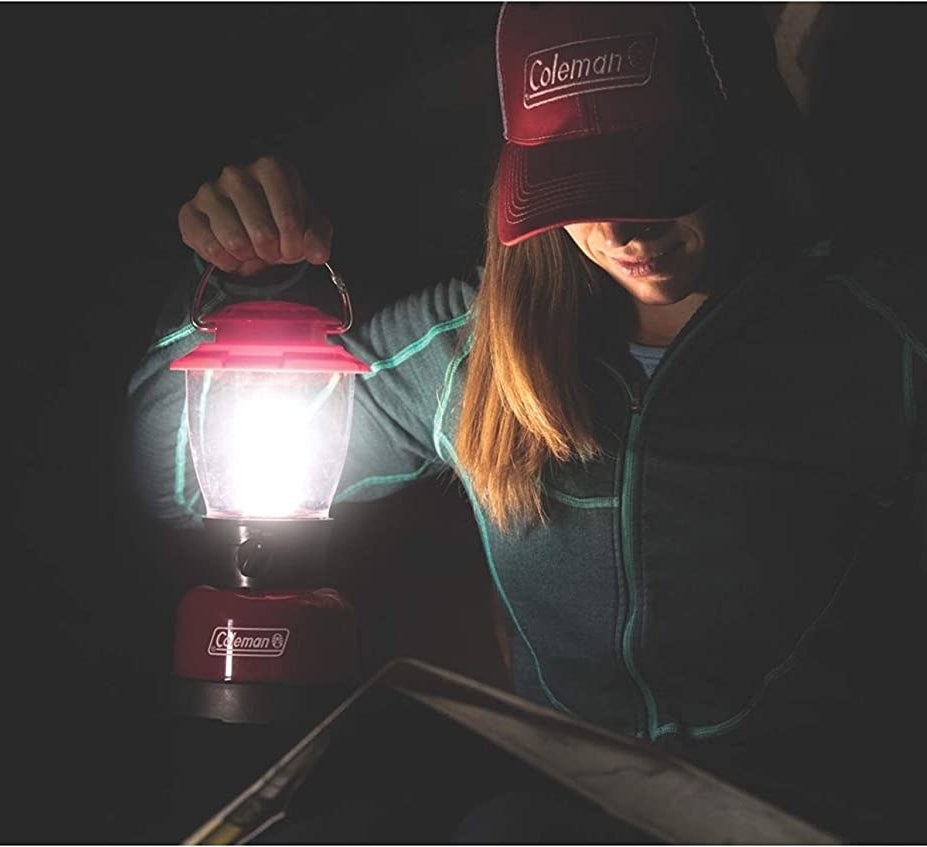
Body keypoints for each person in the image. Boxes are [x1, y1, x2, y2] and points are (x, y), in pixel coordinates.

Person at [127, 3, 926, 842]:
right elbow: (180, 477)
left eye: (656, 176)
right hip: (560, 813)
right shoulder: (474, 352)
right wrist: (240, 298)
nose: (622, 229)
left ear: (741, 135)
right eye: (581, 188)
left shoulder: (883, 338)